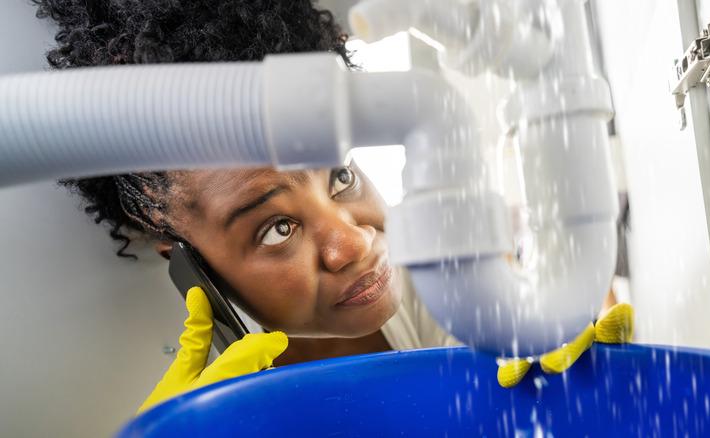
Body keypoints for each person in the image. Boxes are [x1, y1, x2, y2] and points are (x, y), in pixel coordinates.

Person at [34, 0, 460, 411]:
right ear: (179, 249)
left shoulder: (444, 278)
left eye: (341, 177)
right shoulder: (178, 391)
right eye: (278, 228)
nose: (353, 244)